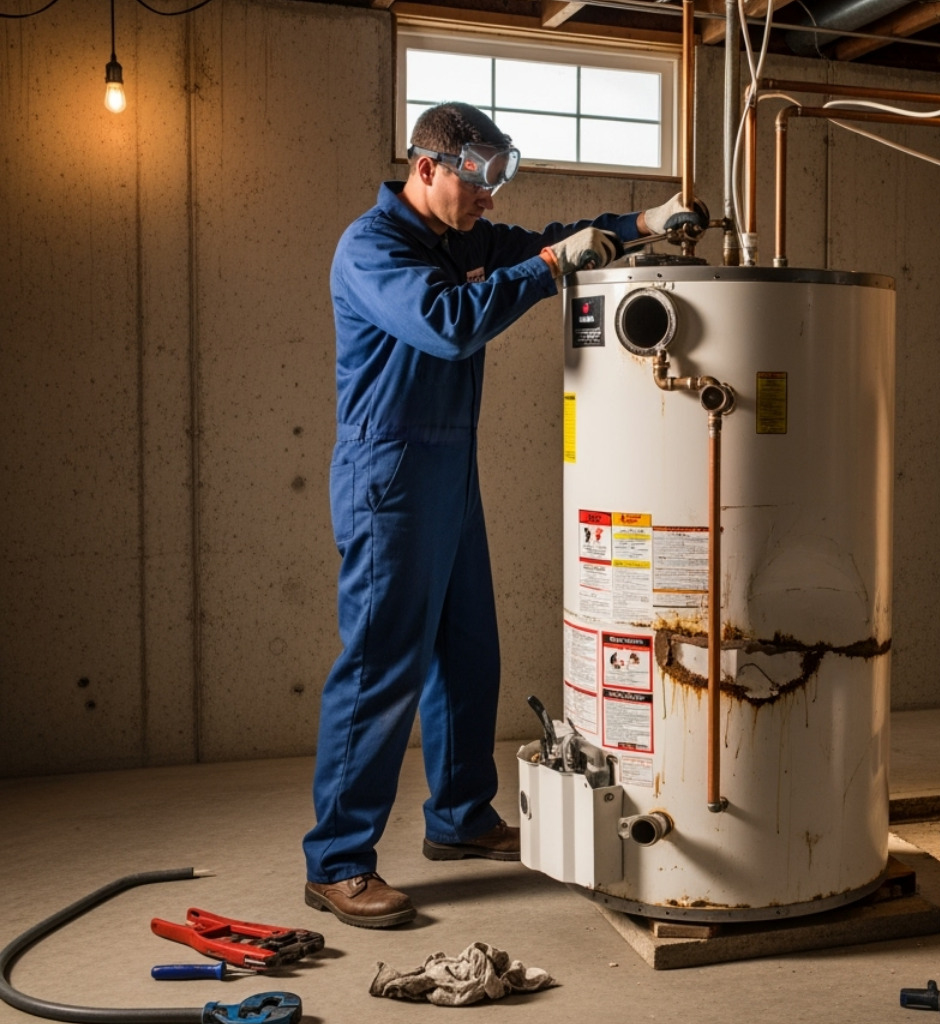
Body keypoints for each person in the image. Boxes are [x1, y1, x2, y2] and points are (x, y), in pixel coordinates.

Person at [302, 101, 704, 928]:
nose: (492, 196)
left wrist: (641, 223)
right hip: (388, 475)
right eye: (479, 178)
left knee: (468, 652)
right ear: (426, 168)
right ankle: (337, 862)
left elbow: (549, 242)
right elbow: (450, 325)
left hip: (448, 469)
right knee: (381, 668)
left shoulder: (462, 239)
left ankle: (458, 817)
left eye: (500, 177)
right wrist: (551, 266)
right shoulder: (372, 248)